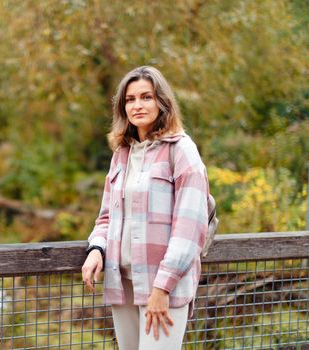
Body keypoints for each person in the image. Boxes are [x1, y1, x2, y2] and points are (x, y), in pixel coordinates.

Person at [81, 66, 209, 349]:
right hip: (122, 283)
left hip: (162, 285)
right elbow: (106, 217)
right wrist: (96, 249)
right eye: (130, 99)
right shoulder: (121, 154)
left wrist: (162, 287)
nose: (137, 105)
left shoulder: (182, 150)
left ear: (161, 101)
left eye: (146, 97)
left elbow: (190, 228)